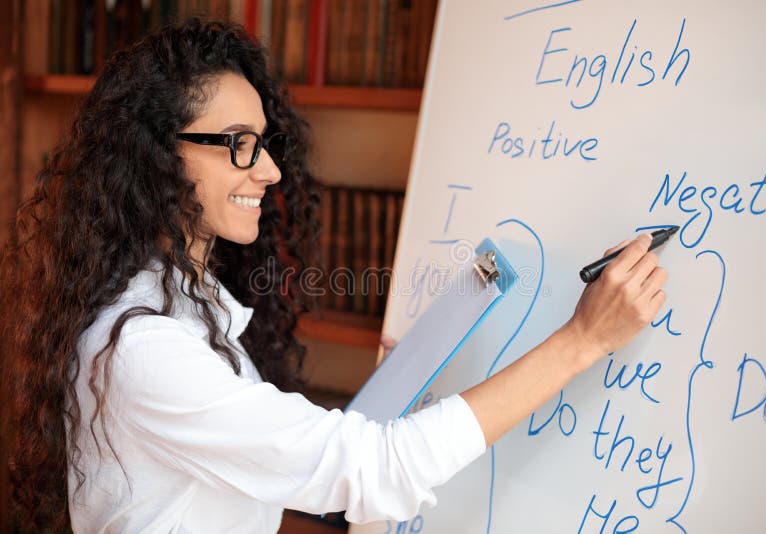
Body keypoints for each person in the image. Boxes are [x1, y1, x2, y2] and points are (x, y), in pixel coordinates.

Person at [0, 18, 667, 533]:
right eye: (238, 144)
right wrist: (584, 340)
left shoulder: (187, 304)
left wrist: (392, 400)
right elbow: (374, 471)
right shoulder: (148, 349)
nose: (268, 171)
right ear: (155, 154)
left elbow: (324, 471)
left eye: (263, 143)